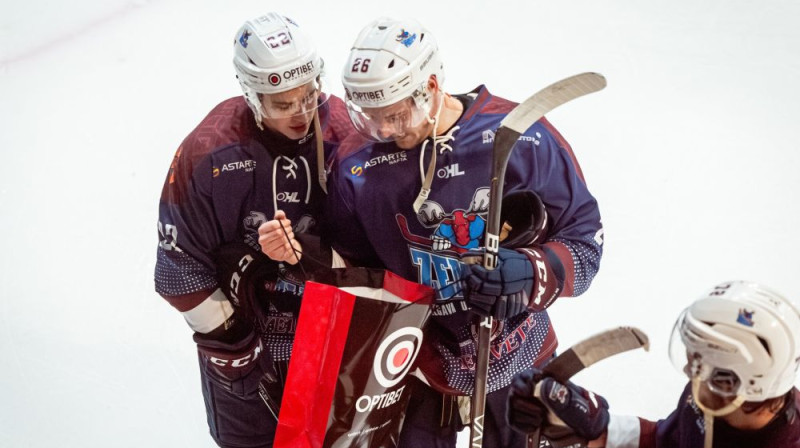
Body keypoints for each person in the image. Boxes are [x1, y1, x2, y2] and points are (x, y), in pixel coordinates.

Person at [322, 17, 604, 448]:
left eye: (395, 115)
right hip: (418, 370)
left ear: (430, 86)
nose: (385, 132)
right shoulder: (355, 167)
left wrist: (531, 272)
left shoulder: (521, 135)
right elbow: (354, 275)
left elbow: (586, 242)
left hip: (517, 355)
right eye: (370, 119)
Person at [153, 12, 352, 448]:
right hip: (245, 335)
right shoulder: (207, 153)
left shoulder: (345, 130)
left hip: (329, 336)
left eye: (309, 95)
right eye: (282, 103)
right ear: (251, 93)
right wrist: (232, 344)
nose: (302, 113)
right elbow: (176, 267)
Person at [508, 280, 800, 448]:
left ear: (732, 384)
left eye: (701, 368)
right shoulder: (716, 404)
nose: (692, 375)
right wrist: (593, 425)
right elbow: (664, 442)